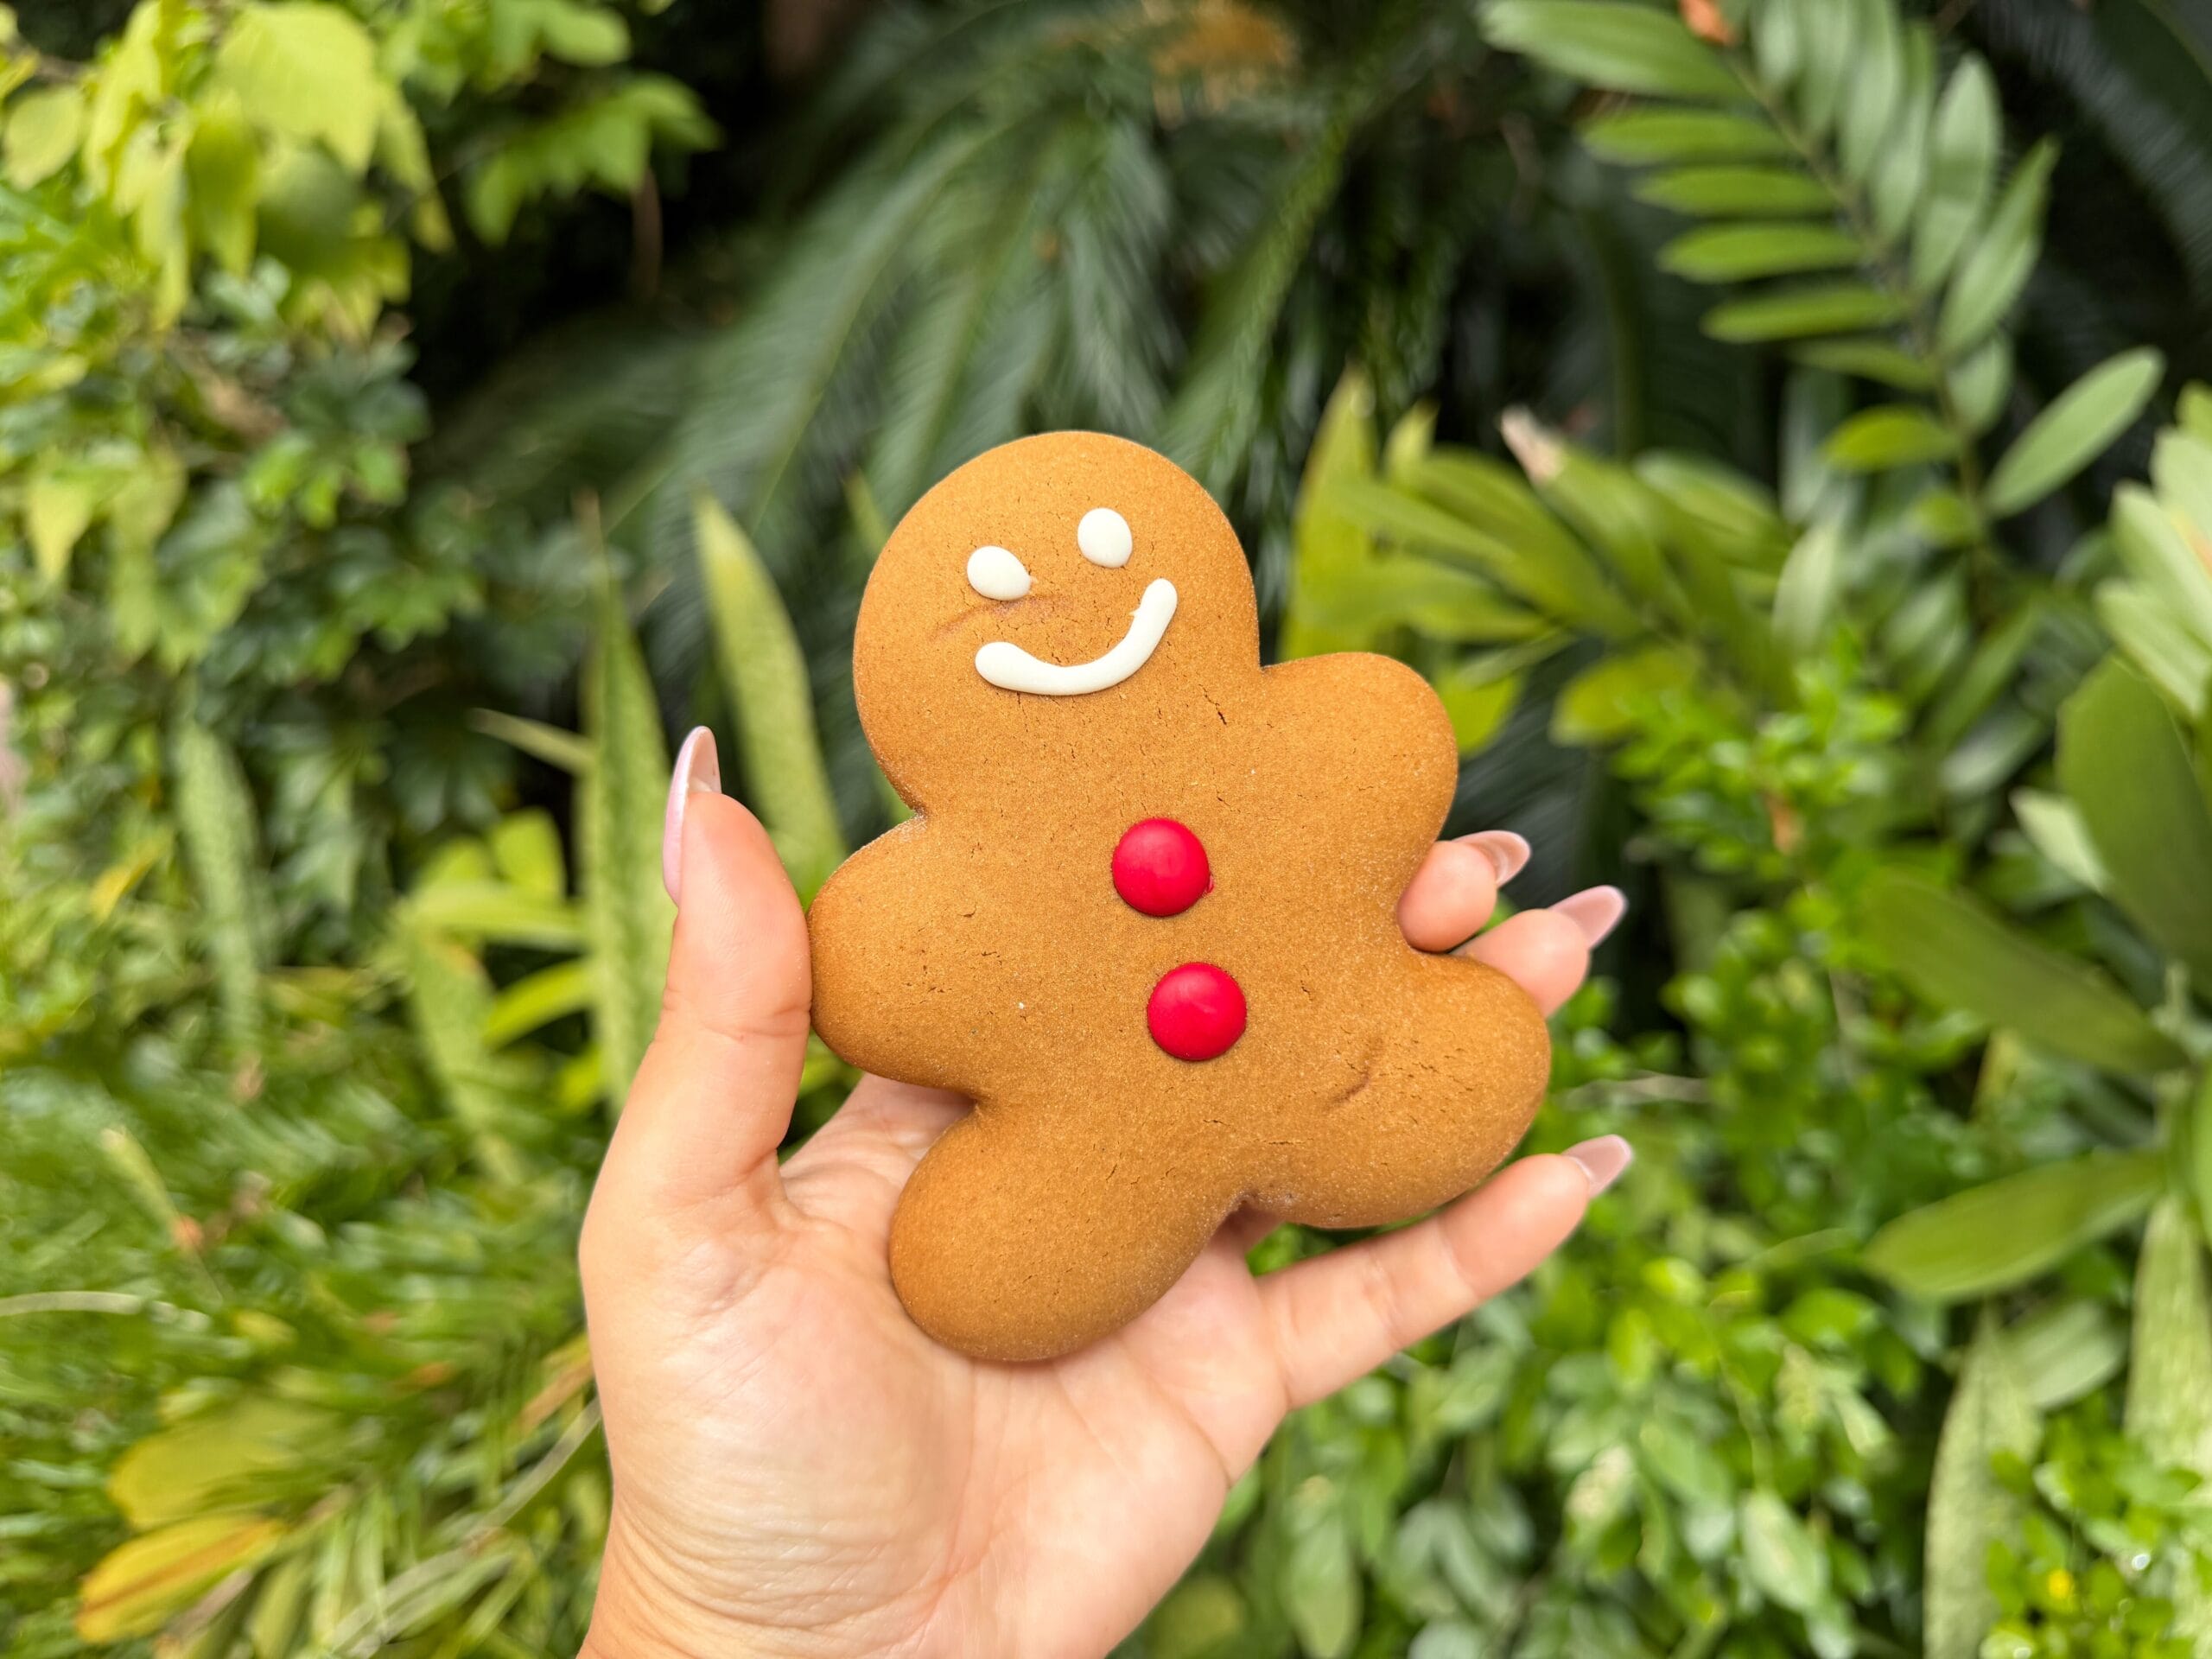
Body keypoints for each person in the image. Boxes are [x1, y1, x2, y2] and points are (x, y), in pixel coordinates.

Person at [578, 728, 1633, 1659]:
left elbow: (1376, 733)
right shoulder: (932, 925)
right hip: (1045, 1213)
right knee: (984, 1270)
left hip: (1296, 1094)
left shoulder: (1297, 756)